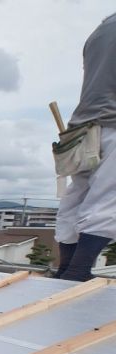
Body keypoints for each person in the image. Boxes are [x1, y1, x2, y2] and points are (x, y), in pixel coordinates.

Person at [55, 13, 116, 281]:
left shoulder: (98, 33)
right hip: (113, 124)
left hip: (82, 128)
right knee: (108, 200)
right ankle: (78, 272)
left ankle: (66, 268)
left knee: (77, 196)